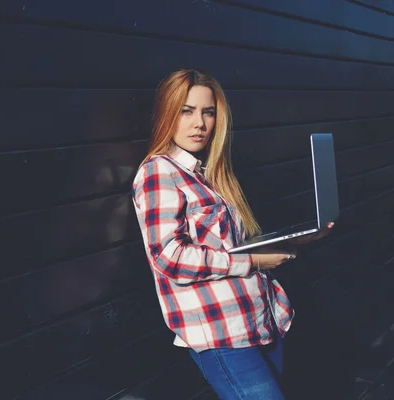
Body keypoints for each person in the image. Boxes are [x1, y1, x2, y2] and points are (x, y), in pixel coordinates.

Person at [131, 69, 334, 399]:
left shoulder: (206, 173)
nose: (200, 123)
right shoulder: (158, 172)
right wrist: (254, 261)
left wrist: (295, 241)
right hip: (220, 335)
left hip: (258, 318)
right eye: (187, 110)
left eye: (207, 112)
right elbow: (169, 257)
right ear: (167, 112)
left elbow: (229, 246)